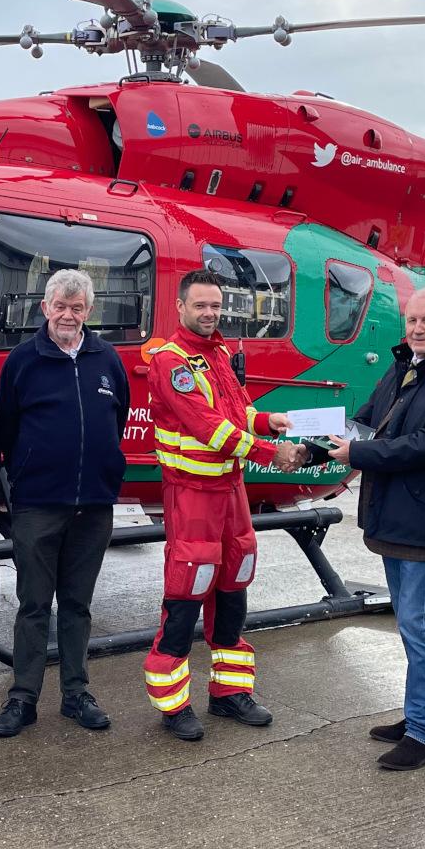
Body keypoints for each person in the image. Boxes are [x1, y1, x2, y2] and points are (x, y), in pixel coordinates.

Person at [141, 269, 304, 740]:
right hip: (192, 495)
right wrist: (271, 453)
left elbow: (238, 413)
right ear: (181, 307)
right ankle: (173, 706)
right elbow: (209, 428)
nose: (210, 313)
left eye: (216, 306)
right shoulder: (171, 362)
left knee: (235, 581)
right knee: (188, 588)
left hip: (230, 491)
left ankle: (229, 693)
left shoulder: (217, 354)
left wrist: (268, 420)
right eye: (201, 305)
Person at [328, 287, 425, 772]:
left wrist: (357, 453)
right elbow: (368, 422)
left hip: (424, 520)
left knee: (419, 626)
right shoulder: (405, 366)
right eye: (412, 320)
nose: (417, 329)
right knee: (411, 624)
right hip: (394, 515)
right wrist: (318, 441)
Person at [0, 269, 129, 738]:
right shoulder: (23, 361)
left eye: (77, 307)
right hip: (38, 505)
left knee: (77, 605)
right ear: (45, 308)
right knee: (33, 604)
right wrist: (13, 486)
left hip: (94, 506)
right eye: (61, 306)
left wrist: (105, 473)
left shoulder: (106, 358)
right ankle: (23, 698)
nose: (68, 315)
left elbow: (118, 419)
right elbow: (5, 430)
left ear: (89, 311)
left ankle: (76, 693)